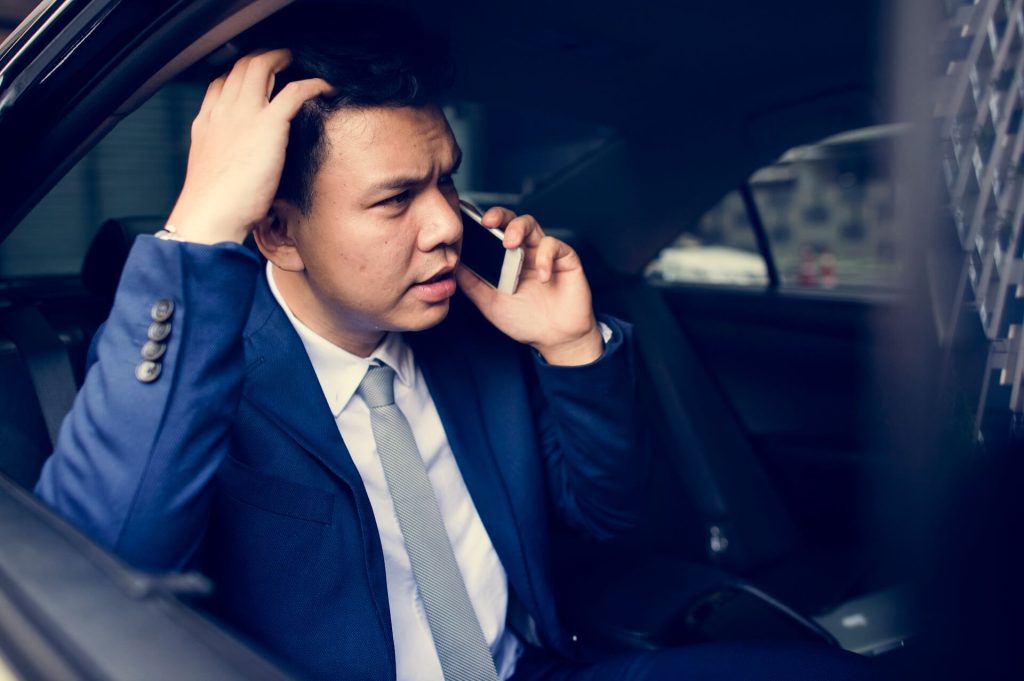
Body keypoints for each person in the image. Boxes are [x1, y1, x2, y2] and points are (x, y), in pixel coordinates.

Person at [34, 5, 880, 680]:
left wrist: (572, 345)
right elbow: (97, 572)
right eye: (396, 198)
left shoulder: (471, 334)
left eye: (446, 179)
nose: (446, 224)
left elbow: (610, 516)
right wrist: (198, 231)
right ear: (279, 231)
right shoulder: (202, 380)